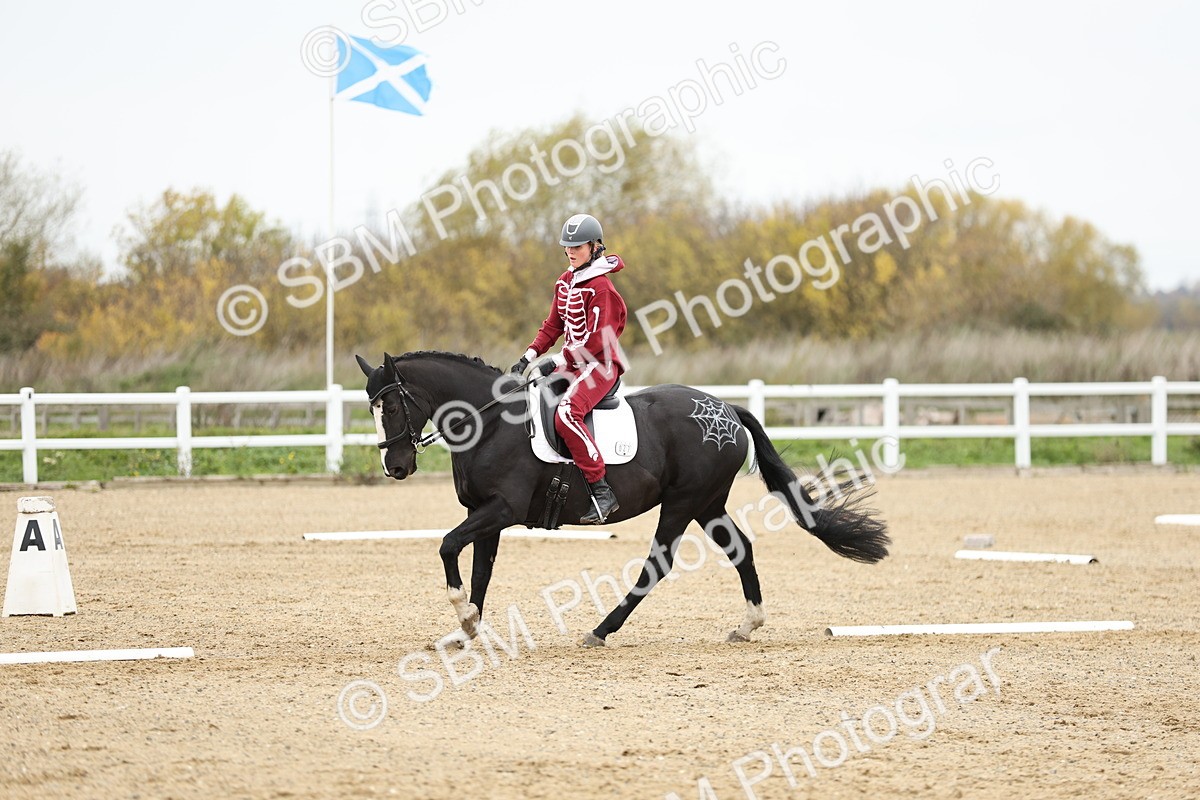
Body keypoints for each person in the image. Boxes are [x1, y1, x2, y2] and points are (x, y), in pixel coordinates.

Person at [510, 213, 627, 524]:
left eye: (578, 246)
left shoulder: (602, 289)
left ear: (595, 246)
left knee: (566, 414)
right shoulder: (564, 282)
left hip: (599, 365)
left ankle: (602, 491)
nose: (571, 252)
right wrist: (528, 357)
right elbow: (552, 326)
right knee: (531, 399)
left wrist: (557, 361)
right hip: (572, 365)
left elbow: (597, 342)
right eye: (567, 247)